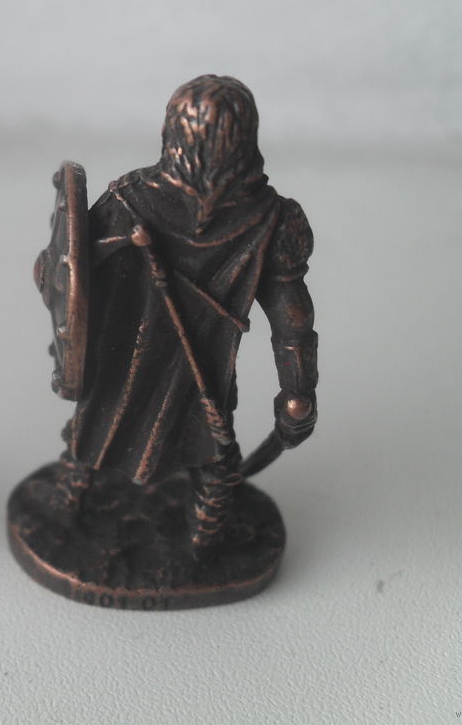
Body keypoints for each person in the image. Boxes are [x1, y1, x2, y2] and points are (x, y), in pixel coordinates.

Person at [55, 75, 318, 558]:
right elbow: (73, 276)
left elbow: (292, 319)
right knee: (151, 443)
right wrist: (297, 392)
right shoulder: (132, 204)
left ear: (171, 134)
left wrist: (298, 390)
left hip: (190, 373)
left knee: (179, 448)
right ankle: (79, 510)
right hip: (132, 364)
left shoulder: (131, 201)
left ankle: (200, 545)